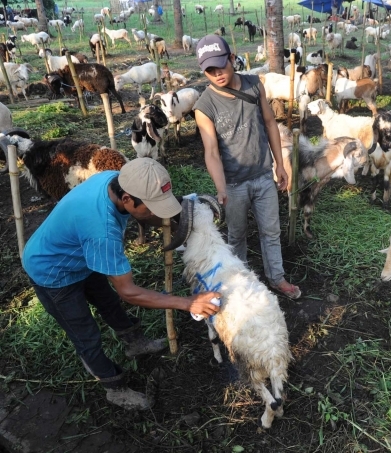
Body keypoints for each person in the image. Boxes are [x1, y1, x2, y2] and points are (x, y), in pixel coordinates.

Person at [22, 158, 220, 410]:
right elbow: (129, 292)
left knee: (109, 303)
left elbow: (143, 213)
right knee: (86, 335)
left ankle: (135, 344)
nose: (157, 215)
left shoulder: (119, 178)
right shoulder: (102, 230)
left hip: (82, 255)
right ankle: (114, 388)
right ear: (127, 199)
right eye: (152, 208)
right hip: (52, 272)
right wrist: (188, 302)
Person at [193, 35, 302, 300]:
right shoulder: (204, 106)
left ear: (232, 58)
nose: (217, 74)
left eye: (221, 65)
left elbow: (269, 123)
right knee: (237, 235)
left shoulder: (254, 85)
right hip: (233, 184)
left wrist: (280, 165)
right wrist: (221, 189)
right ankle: (239, 283)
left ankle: (276, 278)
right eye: (210, 70)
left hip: (264, 175)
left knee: (270, 231)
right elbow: (211, 152)